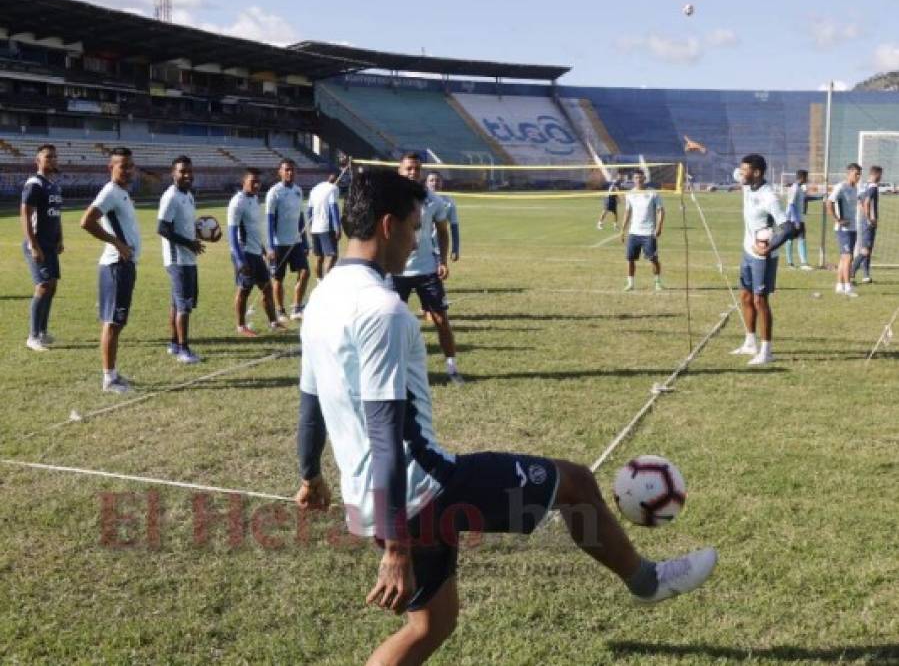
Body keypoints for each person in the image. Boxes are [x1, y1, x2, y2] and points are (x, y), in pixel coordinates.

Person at [295, 170, 718, 665]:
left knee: (431, 625)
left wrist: (310, 475)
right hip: (422, 490)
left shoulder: (321, 297)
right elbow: (387, 432)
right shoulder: (382, 309)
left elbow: (310, 399)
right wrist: (396, 546)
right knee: (576, 483)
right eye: (414, 227)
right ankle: (648, 582)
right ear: (387, 225)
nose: (418, 240)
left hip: (371, 499)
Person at [393, 153, 463, 385]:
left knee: (441, 319)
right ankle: (394, 369)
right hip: (396, 271)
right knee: (391, 322)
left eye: (416, 169)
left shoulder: (433, 200)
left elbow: (442, 231)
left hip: (426, 269)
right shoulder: (388, 199)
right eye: (408, 169)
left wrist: (442, 260)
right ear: (400, 171)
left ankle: (452, 367)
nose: (413, 173)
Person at [80, 147, 141, 393]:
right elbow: (87, 221)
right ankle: (109, 379)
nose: (127, 171)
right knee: (112, 322)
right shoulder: (110, 192)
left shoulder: (122, 193)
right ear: (111, 167)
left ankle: (113, 373)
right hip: (116, 266)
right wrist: (116, 243)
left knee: (117, 321)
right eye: (122, 166)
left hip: (125, 266)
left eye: (130, 166)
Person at [730, 154, 793, 366]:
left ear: (756, 173)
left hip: (762, 257)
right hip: (747, 251)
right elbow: (725, 165)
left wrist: (768, 249)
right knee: (746, 297)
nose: (740, 173)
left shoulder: (769, 197)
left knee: (760, 300)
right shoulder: (747, 183)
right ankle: (750, 343)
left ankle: (766, 351)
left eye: (744, 170)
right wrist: (700, 149)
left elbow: (788, 228)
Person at [157, 155, 205, 364]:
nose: (187, 175)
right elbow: (162, 228)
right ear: (173, 173)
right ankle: (184, 350)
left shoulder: (188, 195)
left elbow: (184, 225)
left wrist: (202, 233)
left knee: (177, 304)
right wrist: (189, 244)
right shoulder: (171, 196)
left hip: (188, 257)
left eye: (189, 171)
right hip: (177, 259)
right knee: (184, 305)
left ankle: (174, 343)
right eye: (182, 171)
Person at [228, 168, 286, 337]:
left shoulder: (254, 200)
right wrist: (240, 261)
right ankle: (241, 326)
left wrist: (263, 250)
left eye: (258, 181)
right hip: (244, 253)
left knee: (267, 288)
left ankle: (274, 322)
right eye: (252, 181)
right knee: (244, 290)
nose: (256, 184)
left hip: (255, 253)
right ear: (243, 182)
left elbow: (253, 230)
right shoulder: (237, 202)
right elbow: (232, 234)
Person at [20, 144, 63, 352]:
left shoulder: (53, 185)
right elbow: (26, 214)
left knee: (52, 287)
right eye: (48, 157)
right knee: (43, 285)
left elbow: (56, 215)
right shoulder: (34, 183)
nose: (52, 160)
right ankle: (33, 336)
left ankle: (43, 332)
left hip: (50, 244)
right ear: (37, 161)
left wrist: (60, 238)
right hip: (37, 244)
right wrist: (33, 245)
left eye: (54, 156)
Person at [265, 159, 309, 321]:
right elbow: (269, 221)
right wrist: (270, 247)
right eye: (287, 170)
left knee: (305, 272)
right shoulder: (274, 192)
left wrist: (305, 241)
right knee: (278, 278)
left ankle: (297, 308)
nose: (290, 173)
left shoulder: (298, 190)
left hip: (296, 242)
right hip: (279, 244)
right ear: (280, 172)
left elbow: (301, 218)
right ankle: (280, 311)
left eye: (292, 170)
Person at [620, 168, 664, 292]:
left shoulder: (653, 193)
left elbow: (661, 210)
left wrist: (659, 227)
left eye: (640, 177)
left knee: (653, 259)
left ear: (644, 178)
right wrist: (622, 230)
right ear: (633, 179)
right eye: (636, 178)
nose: (638, 180)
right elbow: (627, 212)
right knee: (630, 259)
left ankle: (657, 282)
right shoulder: (630, 194)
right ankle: (630, 283)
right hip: (634, 232)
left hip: (648, 233)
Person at [826, 163, 862, 297]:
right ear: (849, 173)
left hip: (853, 228)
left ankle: (839, 286)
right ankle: (848, 287)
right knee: (848, 257)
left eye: (859, 174)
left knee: (844, 259)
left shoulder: (855, 188)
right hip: (843, 229)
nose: (858, 176)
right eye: (856, 174)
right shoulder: (841, 187)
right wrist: (838, 220)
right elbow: (829, 202)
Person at [307, 172, 341, 279]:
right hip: (326, 227)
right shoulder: (333, 188)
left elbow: (309, 211)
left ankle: (319, 281)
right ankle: (326, 281)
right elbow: (333, 207)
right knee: (332, 255)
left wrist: (310, 227)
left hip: (315, 228)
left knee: (319, 257)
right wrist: (337, 227)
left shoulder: (315, 189)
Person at [851, 165, 881, 284]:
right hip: (868, 222)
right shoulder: (873, 187)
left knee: (867, 248)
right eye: (880, 175)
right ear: (877, 174)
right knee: (865, 250)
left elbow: (859, 201)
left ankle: (866, 275)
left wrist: (864, 214)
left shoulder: (863, 186)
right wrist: (869, 217)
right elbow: (867, 202)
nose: (880, 177)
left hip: (863, 220)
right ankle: (851, 271)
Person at [425, 172, 460, 262]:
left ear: (442, 183)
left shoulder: (449, 202)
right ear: (426, 183)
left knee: (438, 273)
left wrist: (455, 248)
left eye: (437, 180)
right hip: (422, 248)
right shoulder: (421, 199)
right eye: (431, 180)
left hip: (438, 248)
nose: (434, 183)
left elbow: (454, 226)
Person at [783, 170, 813, 270]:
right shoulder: (794, 188)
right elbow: (791, 204)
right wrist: (795, 220)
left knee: (802, 239)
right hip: (792, 219)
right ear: (802, 177)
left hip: (800, 218)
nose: (807, 179)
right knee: (790, 240)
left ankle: (804, 263)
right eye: (806, 177)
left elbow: (806, 198)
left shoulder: (800, 188)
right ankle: (790, 263)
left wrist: (820, 197)